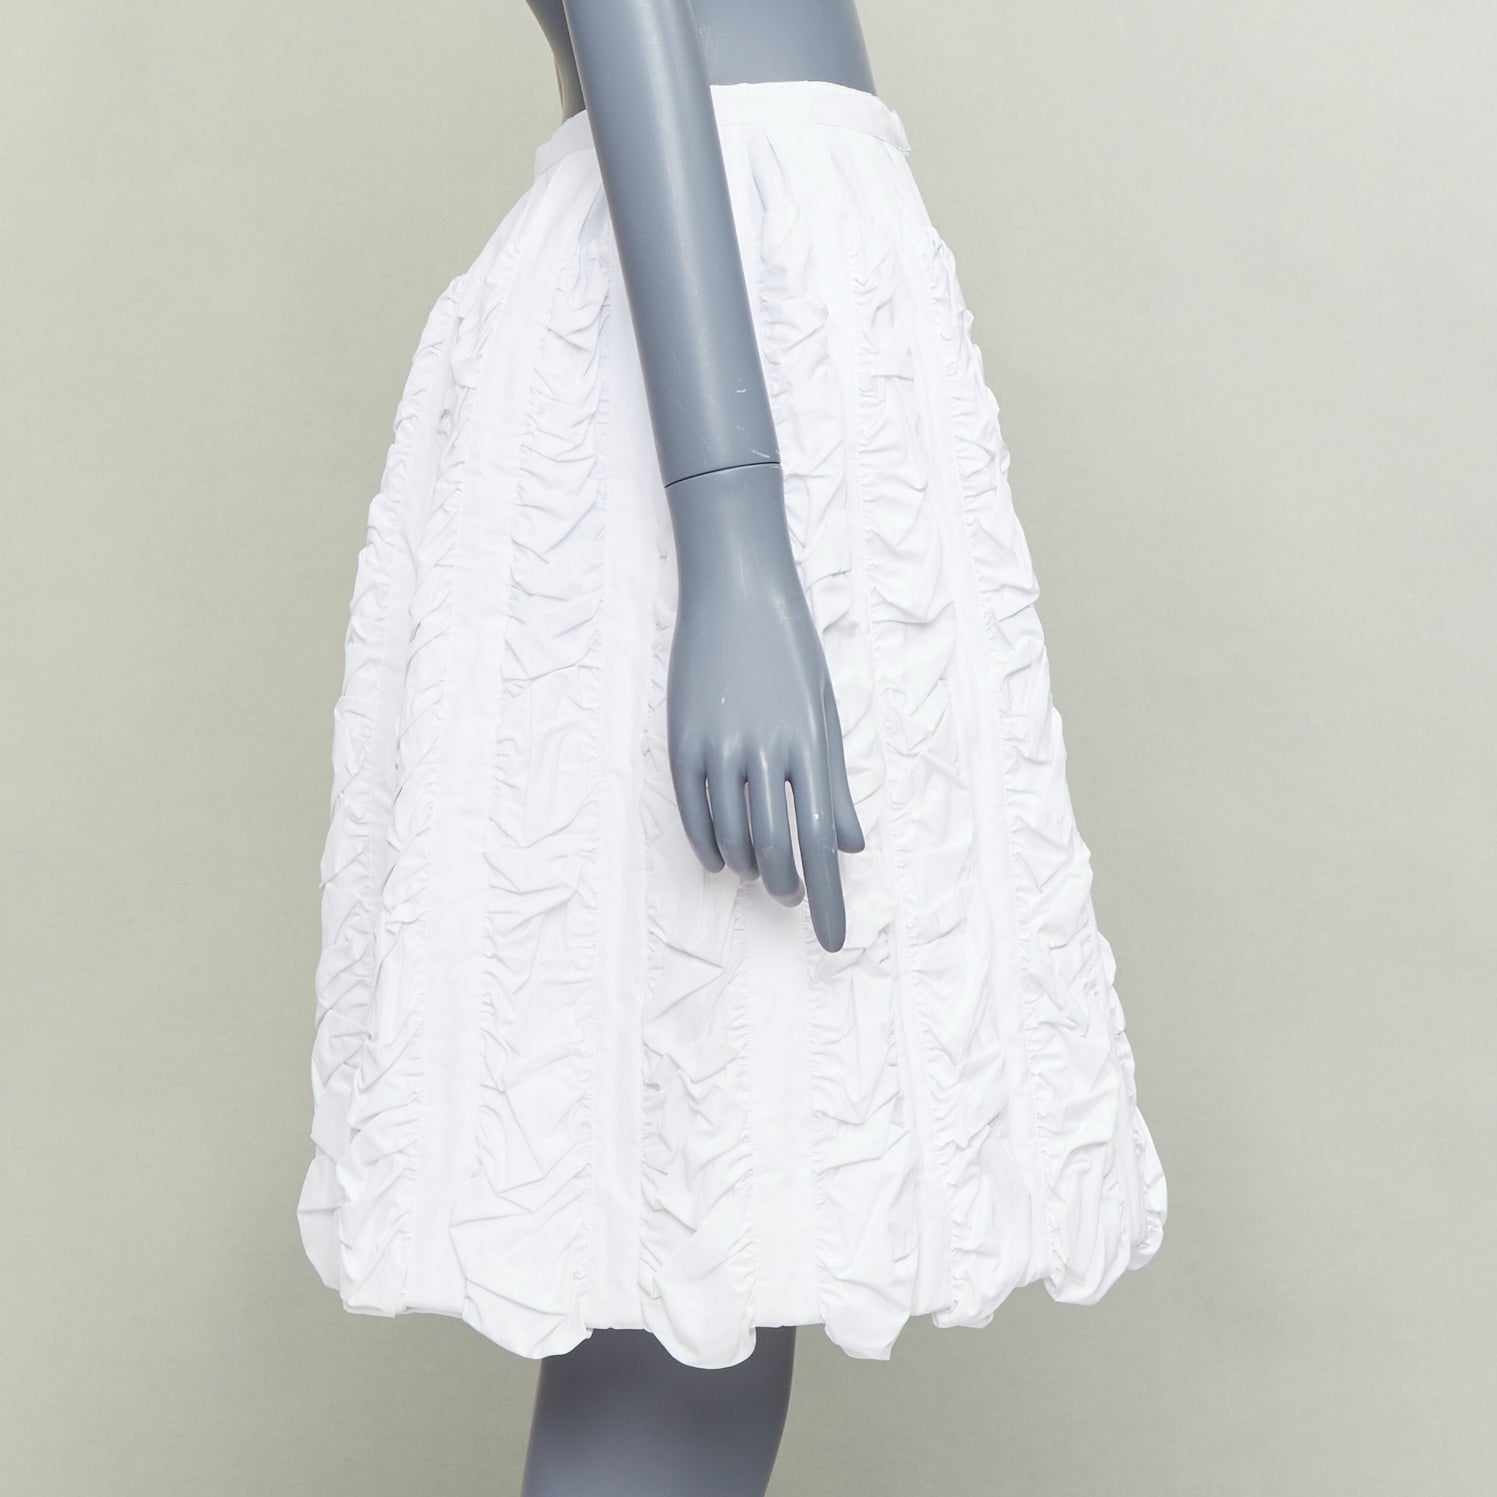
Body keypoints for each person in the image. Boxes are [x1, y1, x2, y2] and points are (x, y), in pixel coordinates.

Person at [296, 4, 1168, 1493]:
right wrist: (733, 532)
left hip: (750, 302)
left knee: (727, 1224)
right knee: (690, 1201)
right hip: (714, 337)